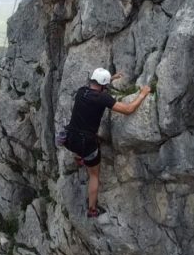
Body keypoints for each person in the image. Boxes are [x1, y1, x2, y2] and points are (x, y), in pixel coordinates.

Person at [64, 68, 152, 218]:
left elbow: (97, 84)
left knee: (81, 138)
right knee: (94, 175)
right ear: (104, 86)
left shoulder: (81, 91)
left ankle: (79, 158)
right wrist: (143, 94)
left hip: (70, 139)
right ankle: (92, 210)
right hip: (87, 143)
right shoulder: (102, 98)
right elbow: (128, 109)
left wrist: (111, 78)